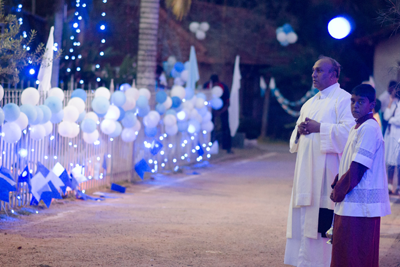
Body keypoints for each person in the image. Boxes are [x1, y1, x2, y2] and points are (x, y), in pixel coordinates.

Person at [284, 57, 355, 267]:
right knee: (304, 220)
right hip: (305, 173)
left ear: (334, 74)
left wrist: (320, 128)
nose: (313, 75)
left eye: (319, 71)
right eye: (313, 71)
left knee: (322, 224)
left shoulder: (344, 100)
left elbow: (349, 133)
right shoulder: (309, 103)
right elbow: (295, 140)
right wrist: (299, 131)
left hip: (326, 174)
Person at [330, 84, 391, 267]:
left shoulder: (369, 128)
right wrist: (338, 179)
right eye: (353, 101)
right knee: (346, 250)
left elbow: (359, 166)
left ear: (371, 105)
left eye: (361, 101)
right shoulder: (357, 127)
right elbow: (350, 160)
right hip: (352, 198)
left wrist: (340, 190)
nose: (355, 105)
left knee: (355, 253)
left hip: (360, 203)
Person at [203, 74, 232, 153]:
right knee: (210, 127)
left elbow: (227, 102)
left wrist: (220, 112)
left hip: (222, 109)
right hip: (210, 109)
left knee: (225, 127)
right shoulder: (207, 86)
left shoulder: (224, 87)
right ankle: (210, 144)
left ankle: (227, 147)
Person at [383, 83, 400, 194]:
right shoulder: (394, 104)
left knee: (398, 162)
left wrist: (391, 119)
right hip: (390, 135)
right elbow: (385, 116)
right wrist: (389, 102)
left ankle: (398, 186)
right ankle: (389, 185)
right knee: (390, 161)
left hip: (397, 135)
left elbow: (398, 121)